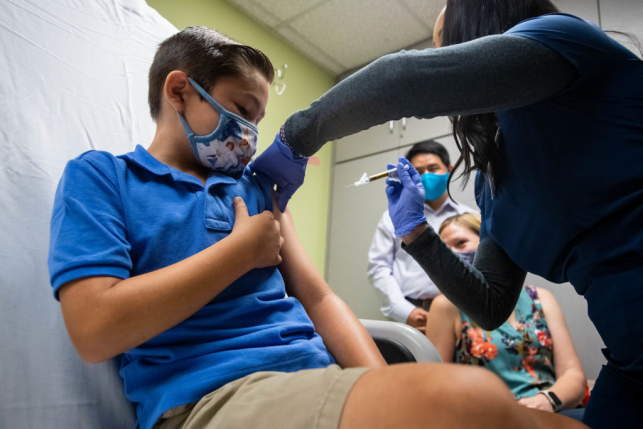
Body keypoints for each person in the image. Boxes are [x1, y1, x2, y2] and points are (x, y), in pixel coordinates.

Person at [47, 26, 583, 429]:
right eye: (239, 111)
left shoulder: (255, 190)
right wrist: (238, 253)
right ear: (179, 90)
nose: (247, 138)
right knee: (471, 400)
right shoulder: (103, 178)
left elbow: (320, 297)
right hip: (215, 398)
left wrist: (386, 383)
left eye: (257, 125)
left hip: (320, 379)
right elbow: (95, 330)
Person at [249, 1, 643, 427]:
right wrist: (417, 233)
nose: (449, 66)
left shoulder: (562, 39)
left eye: (447, 49)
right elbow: (490, 304)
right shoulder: (496, 180)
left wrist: (295, 137)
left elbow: (401, 80)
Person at [426, 213, 586, 418]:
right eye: (447, 249)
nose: (454, 254)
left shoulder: (541, 299)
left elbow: (572, 374)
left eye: (461, 243)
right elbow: (437, 385)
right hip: (488, 417)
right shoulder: (445, 306)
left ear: (486, 246)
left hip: (549, 411)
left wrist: (547, 401)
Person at [367, 140, 475, 332]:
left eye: (433, 168)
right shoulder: (395, 218)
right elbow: (379, 267)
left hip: (463, 310)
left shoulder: (472, 218)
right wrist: (405, 311)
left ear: (449, 169)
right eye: (418, 171)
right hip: (412, 310)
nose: (426, 176)